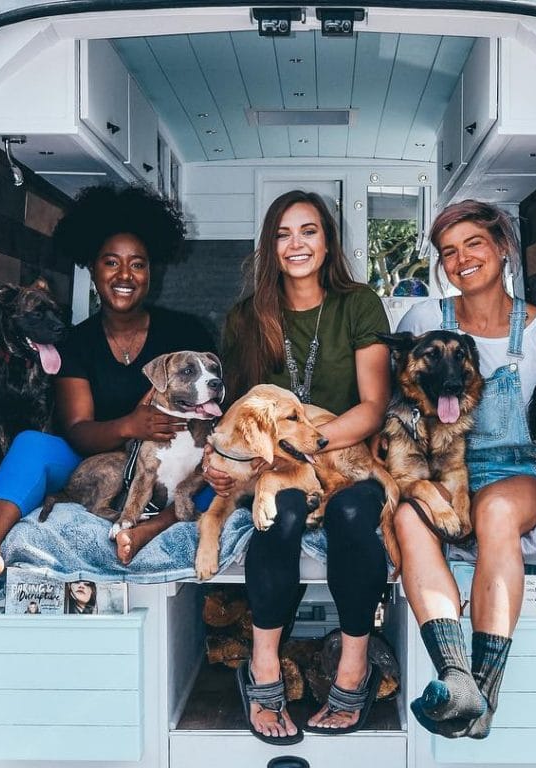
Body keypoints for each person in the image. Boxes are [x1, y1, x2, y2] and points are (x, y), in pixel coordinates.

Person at [0, 184, 215, 576]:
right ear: (93, 270)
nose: (125, 275)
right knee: (32, 445)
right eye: (111, 263)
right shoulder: (77, 342)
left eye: (138, 264)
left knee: (222, 471)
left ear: (151, 272)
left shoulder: (184, 333)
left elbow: (213, 414)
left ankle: (149, 528)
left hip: (178, 460)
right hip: (96, 460)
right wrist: (132, 425)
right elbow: (78, 431)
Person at [393, 199, 536, 739]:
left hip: (518, 471)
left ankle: (486, 691)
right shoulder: (422, 322)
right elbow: (398, 406)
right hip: (441, 470)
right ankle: (457, 677)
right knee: (410, 519)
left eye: (474, 244)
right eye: (449, 252)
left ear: (503, 247)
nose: (462, 260)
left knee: (496, 513)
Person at [205, 190, 391, 744]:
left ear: (327, 240)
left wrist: (310, 443)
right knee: (279, 515)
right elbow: (237, 410)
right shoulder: (245, 317)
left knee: (356, 512)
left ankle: (353, 667)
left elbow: (373, 407)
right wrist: (221, 458)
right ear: (270, 246)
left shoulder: (358, 304)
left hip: (346, 454)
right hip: (276, 464)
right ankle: (264, 668)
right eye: (284, 234)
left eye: (308, 231)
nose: (297, 244)